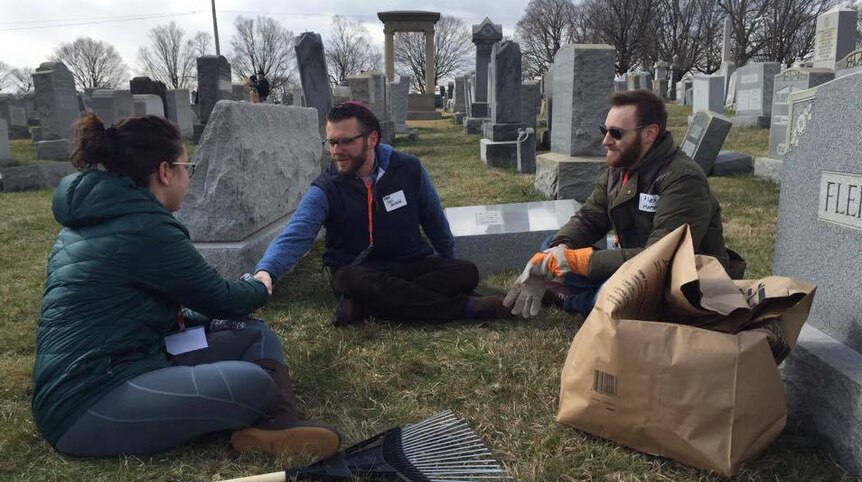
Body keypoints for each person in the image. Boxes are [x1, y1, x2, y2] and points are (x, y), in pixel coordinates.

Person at [32, 114, 340, 458]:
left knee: (254, 334)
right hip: (90, 403)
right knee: (253, 383)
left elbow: (159, 304)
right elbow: (221, 298)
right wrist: (260, 285)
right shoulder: (146, 229)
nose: (188, 177)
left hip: (141, 355)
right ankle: (263, 414)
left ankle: (277, 428)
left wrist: (218, 317)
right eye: (185, 166)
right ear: (164, 172)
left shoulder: (100, 219)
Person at [254, 102, 508, 325]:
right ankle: (468, 307)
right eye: (331, 142)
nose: (336, 151)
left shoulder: (409, 168)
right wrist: (266, 271)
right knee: (350, 280)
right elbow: (297, 234)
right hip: (360, 270)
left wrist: (449, 261)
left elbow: (434, 220)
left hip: (411, 263)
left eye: (345, 141)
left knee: (467, 272)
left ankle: (367, 306)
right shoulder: (326, 188)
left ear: (372, 139)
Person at [505, 89, 733, 318]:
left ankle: (569, 299)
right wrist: (559, 249)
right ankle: (593, 291)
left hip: (679, 278)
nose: (605, 140)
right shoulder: (620, 168)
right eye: (604, 130)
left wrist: (578, 262)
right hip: (633, 265)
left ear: (649, 134)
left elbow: (662, 257)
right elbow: (590, 217)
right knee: (552, 245)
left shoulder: (682, 178)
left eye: (616, 133)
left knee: (615, 297)